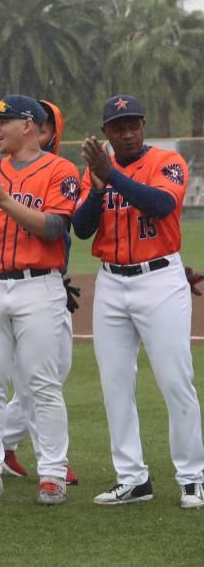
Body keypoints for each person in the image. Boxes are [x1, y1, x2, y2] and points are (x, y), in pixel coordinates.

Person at [73, 95, 204, 508]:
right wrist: (97, 188)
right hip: (111, 282)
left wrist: (110, 174)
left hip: (160, 279)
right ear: (106, 132)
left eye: (133, 123)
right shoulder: (94, 171)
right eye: (118, 126)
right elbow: (80, 228)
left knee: (174, 380)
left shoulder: (168, 162)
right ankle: (132, 478)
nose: (127, 132)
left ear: (144, 125)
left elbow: (162, 204)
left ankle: (193, 478)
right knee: (115, 384)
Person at [0, 95, 78, 505]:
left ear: (28, 125)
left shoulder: (60, 169)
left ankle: (53, 476)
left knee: (42, 383)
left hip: (38, 285)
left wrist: (4, 201)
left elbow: (54, 227)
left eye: (2, 121)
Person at [1, 100, 79, 486]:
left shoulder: (60, 174)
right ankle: (51, 457)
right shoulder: (6, 173)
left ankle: (3, 440)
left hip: (51, 283)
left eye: (46, 128)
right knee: (38, 378)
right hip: (16, 286)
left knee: (54, 372)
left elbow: (71, 227)